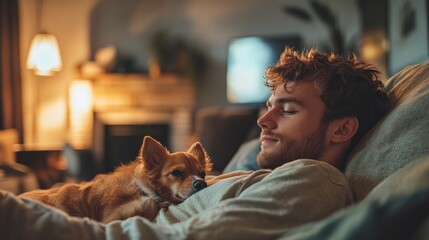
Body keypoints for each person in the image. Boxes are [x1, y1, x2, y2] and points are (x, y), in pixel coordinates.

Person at [0, 48, 389, 240]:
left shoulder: (317, 181)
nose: (262, 120)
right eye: (269, 107)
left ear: (341, 130)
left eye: (286, 110)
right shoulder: (257, 174)